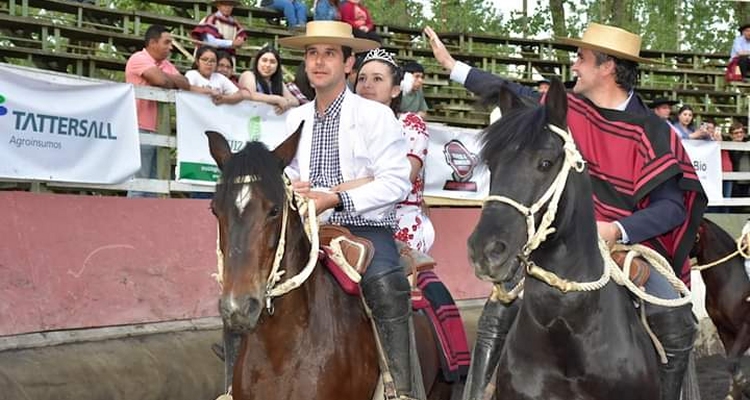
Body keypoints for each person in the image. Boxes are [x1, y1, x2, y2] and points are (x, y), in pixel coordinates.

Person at [425, 22, 706, 400]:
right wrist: (453, 66)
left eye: (582, 59)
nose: (574, 66)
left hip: (629, 244)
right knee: (499, 307)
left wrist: (617, 230)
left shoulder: (653, 130)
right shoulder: (563, 111)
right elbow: (509, 92)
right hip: (558, 243)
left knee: (676, 317)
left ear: (608, 67)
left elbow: (672, 207)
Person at [279, 21, 425, 399]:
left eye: (330, 53)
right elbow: (287, 174)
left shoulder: (376, 116)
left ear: (348, 63)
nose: (319, 62)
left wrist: (338, 199)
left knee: (387, 286)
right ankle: (237, 383)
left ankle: (401, 389)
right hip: (309, 230)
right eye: (312, 53)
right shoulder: (295, 118)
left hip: (365, 231)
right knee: (250, 283)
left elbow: (397, 182)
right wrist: (290, 187)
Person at [354, 49, 435, 253]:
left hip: (399, 223)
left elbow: (401, 180)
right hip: (348, 220)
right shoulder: (346, 126)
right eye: (361, 78)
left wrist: (339, 189)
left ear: (395, 90)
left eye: (377, 79)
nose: (367, 85)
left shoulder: (409, 125)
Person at [125, 24, 190, 198]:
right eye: (166, 42)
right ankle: (131, 222)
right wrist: (166, 78)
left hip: (160, 129)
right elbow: (161, 81)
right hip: (140, 127)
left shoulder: (165, 64)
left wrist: (164, 77)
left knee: (156, 185)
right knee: (139, 183)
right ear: (153, 42)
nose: (170, 47)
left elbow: (185, 84)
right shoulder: (138, 58)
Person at [238, 46, 300, 114]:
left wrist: (286, 102)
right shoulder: (248, 75)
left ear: (277, 66)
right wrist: (277, 99)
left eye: (272, 62)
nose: (268, 65)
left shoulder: (278, 83)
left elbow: (295, 101)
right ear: (257, 62)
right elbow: (250, 95)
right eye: (264, 60)